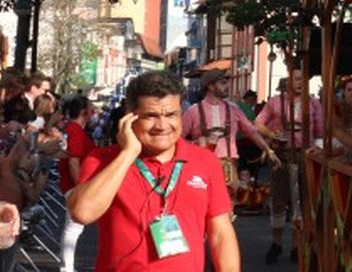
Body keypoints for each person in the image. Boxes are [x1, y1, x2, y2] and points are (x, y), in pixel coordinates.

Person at [67, 71, 239, 272]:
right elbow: (82, 213)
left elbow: (221, 235)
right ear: (129, 116)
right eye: (151, 116)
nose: (162, 125)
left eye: (171, 114)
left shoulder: (205, 161)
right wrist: (128, 154)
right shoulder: (102, 160)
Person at [254, 68, 322, 265]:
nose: (301, 82)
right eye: (298, 79)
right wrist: (272, 135)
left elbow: (319, 134)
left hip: (304, 156)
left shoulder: (314, 104)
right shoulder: (276, 101)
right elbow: (258, 123)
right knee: (278, 201)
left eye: (304, 79)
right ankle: (276, 243)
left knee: (300, 202)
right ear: (289, 81)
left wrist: (316, 152)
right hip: (281, 157)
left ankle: (296, 245)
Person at [181, 71, 275, 199]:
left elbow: (251, 131)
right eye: (223, 83)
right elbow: (176, 139)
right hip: (201, 166)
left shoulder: (233, 109)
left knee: (227, 208)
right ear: (210, 86)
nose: (227, 86)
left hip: (228, 166)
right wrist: (194, 144)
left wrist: (268, 150)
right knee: (202, 206)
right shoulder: (193, 111)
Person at [58, 98, 96, 272]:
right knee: (73, 228)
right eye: (90, 109)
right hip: (75, 185)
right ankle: (67, 268)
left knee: (73, 228)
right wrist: (80, 187)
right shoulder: (75, 131)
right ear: (83, 112)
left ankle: (67, 267)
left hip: (76, 184)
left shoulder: (72, 130)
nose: (93, 112)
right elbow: (73, 161)